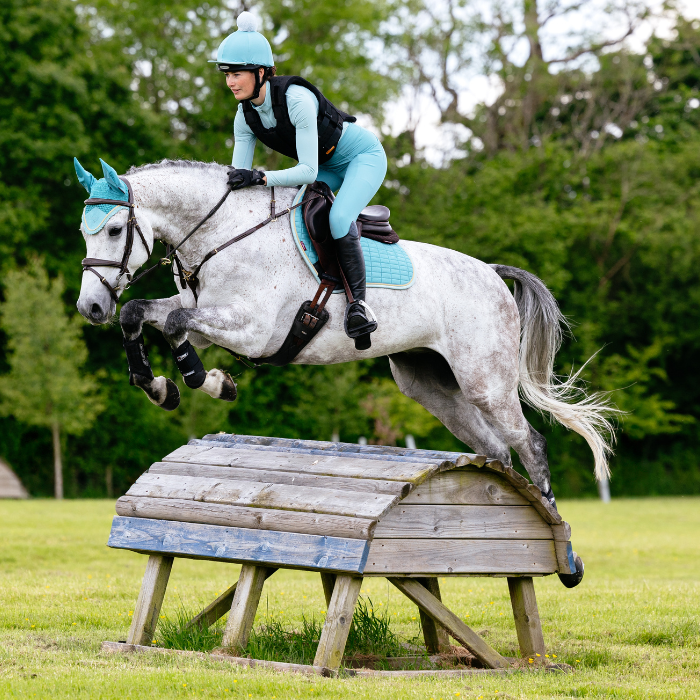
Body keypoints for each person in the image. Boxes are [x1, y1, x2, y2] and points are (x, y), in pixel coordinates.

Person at [211, 11, 386, 349]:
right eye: (226, 75)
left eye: (236, 74)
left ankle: (359, 305)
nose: (230, 82)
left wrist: (260, 177)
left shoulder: (296, 99)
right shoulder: (244, 115)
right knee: (291, 213)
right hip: (327, 165)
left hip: (362, 157)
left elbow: (305, 172)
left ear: (261, 72)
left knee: (337, 217)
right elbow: (236, 179)